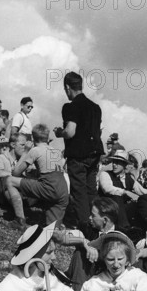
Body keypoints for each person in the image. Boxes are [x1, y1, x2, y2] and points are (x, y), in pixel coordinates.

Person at [54, 72, 104, 227]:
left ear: (68, 87)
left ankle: (84, 226)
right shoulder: (96, 108)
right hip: (94, 153)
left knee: (79, 191)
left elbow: (70, 131)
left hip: (78, 155)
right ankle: (98, 222)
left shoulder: (70, 106)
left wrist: (58, 133)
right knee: (91, 190)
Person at [6, 123, 69, 226]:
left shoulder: (35, 150)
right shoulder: (55, 151)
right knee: (52, 230)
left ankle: (20, 220)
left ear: (32, 137)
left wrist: (26, 151)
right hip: (63, 189)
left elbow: (16, 173)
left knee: (10, 180)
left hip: (49, 186)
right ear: (47, 137)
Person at [58, 197, 121, 291]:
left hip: (109, 278)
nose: (89, 218)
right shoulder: (87, 227)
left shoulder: (122, 234)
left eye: (93, 215)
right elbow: (62, 239)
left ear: (105, 220)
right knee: (80, 253)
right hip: (84, 275)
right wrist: (84, 242)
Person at [98, 150, 147, 229]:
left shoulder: (128, 178)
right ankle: (125, 228)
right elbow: (107, 189)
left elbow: (142, 190)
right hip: (105, 208)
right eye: (114, 162)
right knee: (116, 196)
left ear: (124, 164)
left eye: (118, 162)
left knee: (141, 202)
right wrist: (126, 192)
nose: (114, 165)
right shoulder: (105, 174)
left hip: (121, 210)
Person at [0, 132, 29, 230]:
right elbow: (0, 173)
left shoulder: (23, 159)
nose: (24, 148)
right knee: (7, 180)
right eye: (22, 145)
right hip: (5, 193)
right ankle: (20, 219)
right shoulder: (1, 157)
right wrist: (15, 175)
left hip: (20, 192)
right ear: (13, 145)